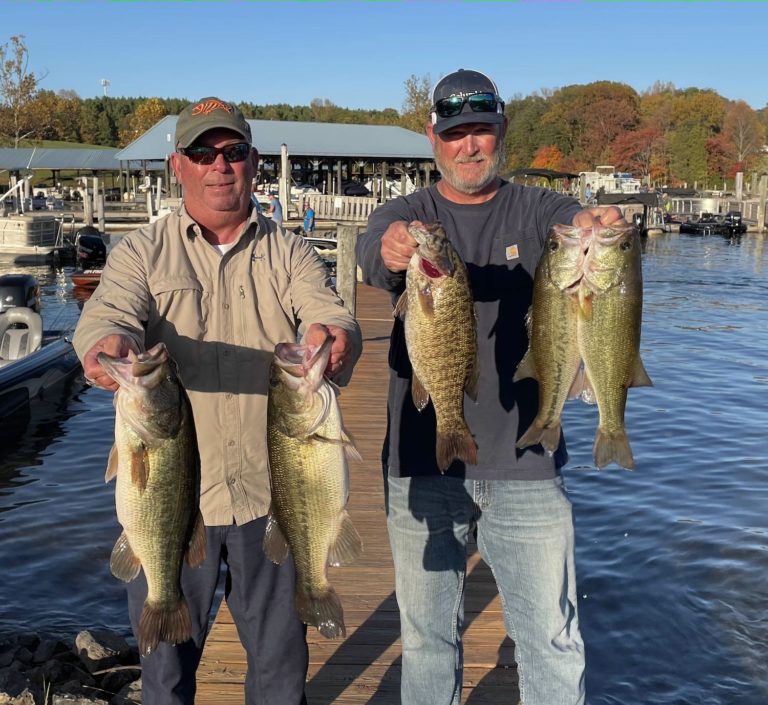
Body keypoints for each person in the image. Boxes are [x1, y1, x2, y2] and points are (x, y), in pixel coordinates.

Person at [74, 96, 362, 705]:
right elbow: (108, 312)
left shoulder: (290, 251)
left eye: (232, 152)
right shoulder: (141, 252)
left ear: (253, 162)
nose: (219, 165)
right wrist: (109, 343)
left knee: (281, 675)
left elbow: (328, 312)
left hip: (272, 497)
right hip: (177, 506)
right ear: (178, 165)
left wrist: (331, 338)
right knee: (166, 675)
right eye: (203, 152)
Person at [355, 69, 623, 705]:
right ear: (433, 139)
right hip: (422, 464)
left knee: (552, 642)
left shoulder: (536, 210)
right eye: (454, 135)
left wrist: (595, 224)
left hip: (527, 462)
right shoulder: (410, 214)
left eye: (480, 132)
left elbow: (574, 218)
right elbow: (373, 247)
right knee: (426, 644)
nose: (468, 147)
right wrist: (390, 250)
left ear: (501, 132)